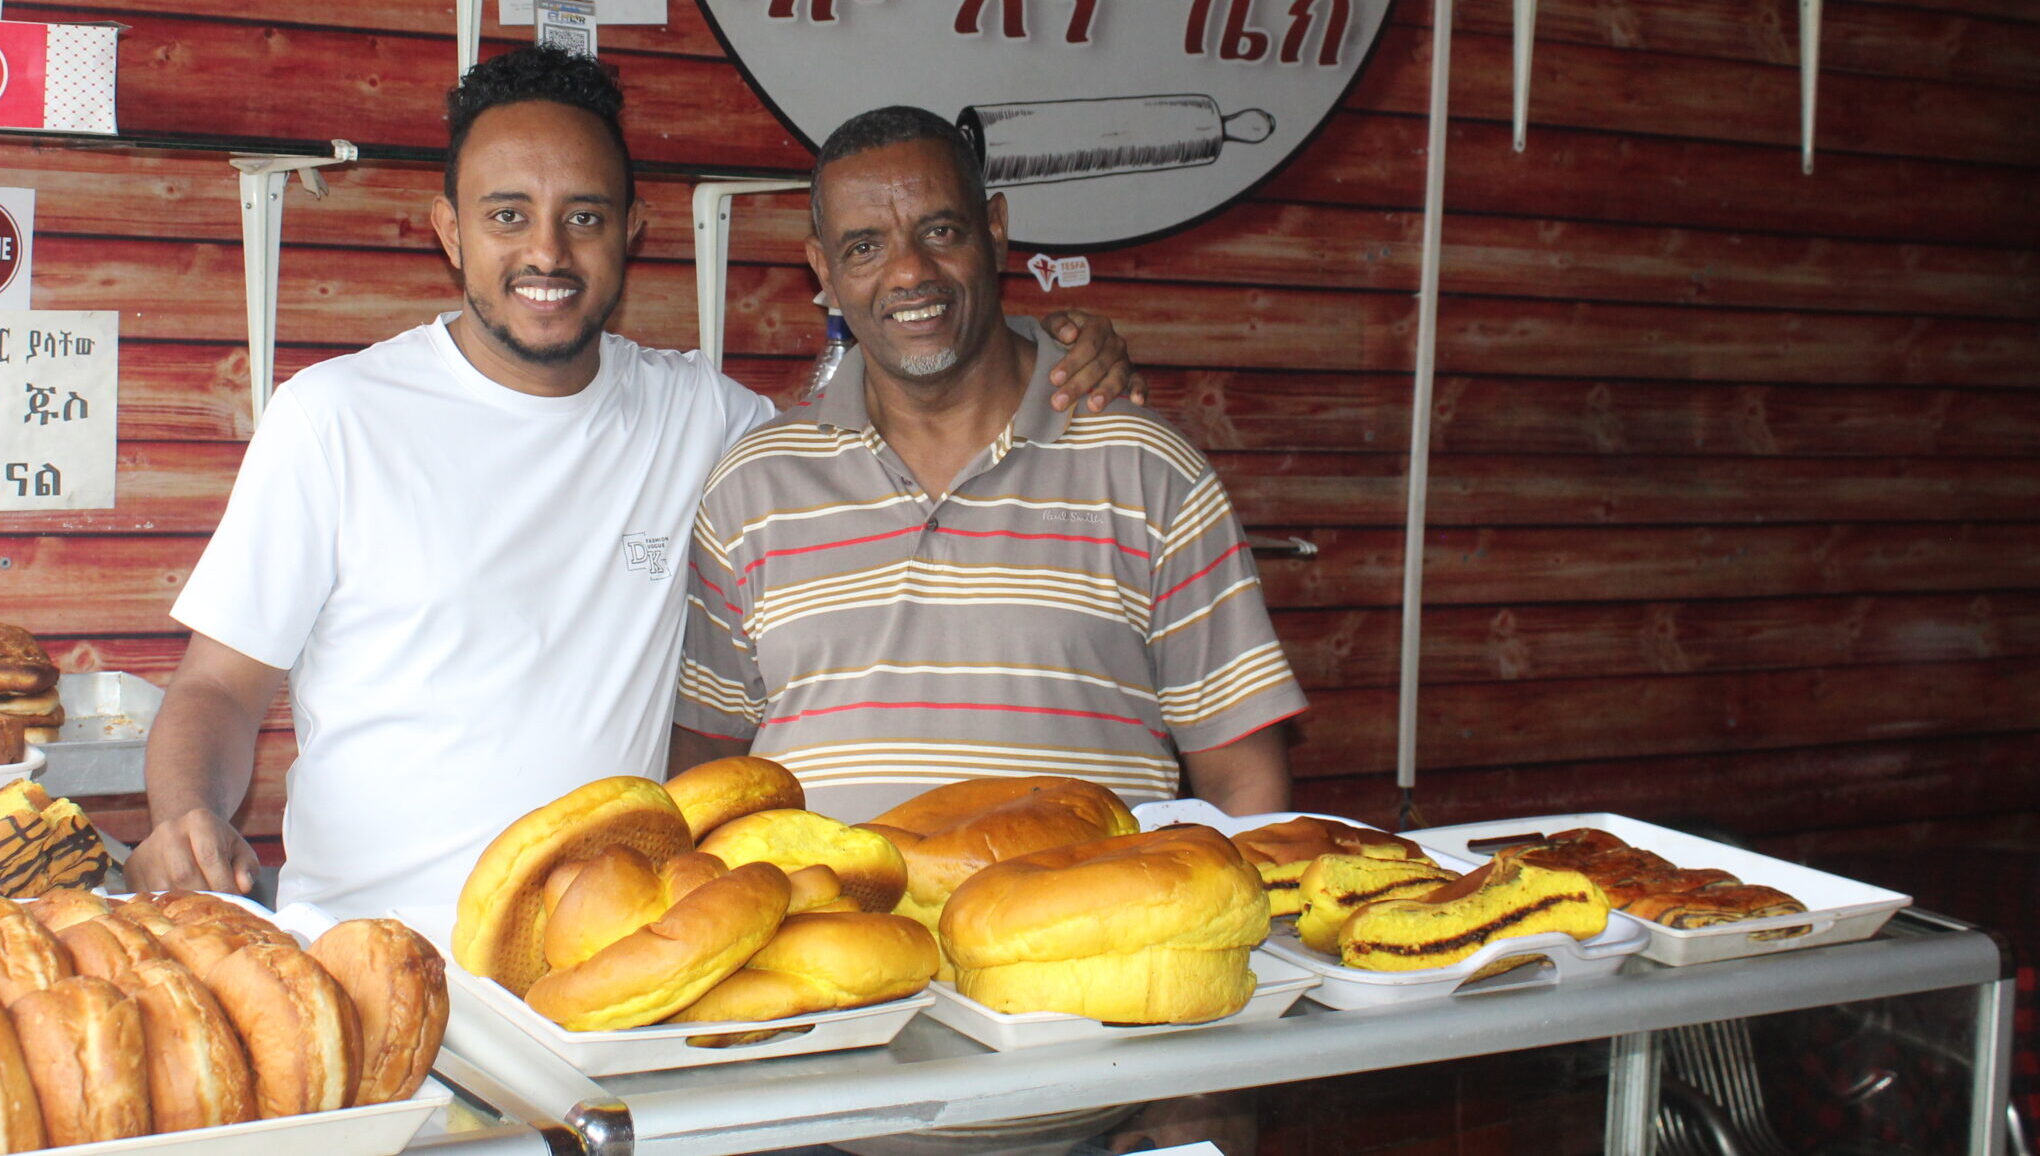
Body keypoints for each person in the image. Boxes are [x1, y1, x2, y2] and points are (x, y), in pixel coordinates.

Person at [124, 49, 1143, 913]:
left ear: (633, 231)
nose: (546, 252)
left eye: (583, 217)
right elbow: (217, 689)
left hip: (605, 973)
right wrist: (186, 818)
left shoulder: (704, 420)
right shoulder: (334, 419)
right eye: (508, 215)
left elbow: (906, 398)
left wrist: (1044, 350)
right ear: (449, 231)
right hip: (368, 953)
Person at [668, 105, 1305, 823]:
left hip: (1081, 901)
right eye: (865, 247)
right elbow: (707, 767)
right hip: (827, 901)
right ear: (825, 271)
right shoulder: (753, 484)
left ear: (995, 230)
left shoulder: (1145, 469)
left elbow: (1243, 780)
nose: (910, 272)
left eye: (940, 232)